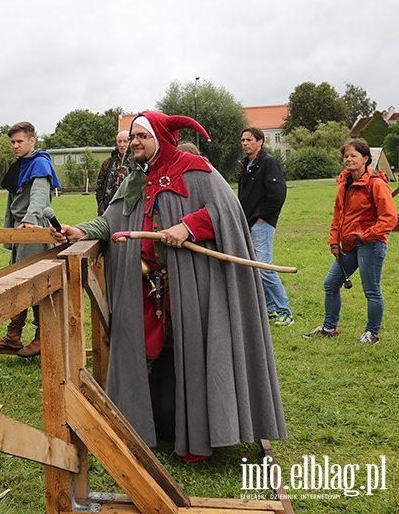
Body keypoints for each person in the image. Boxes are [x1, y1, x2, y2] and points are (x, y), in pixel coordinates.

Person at [52, 111, 286, 461]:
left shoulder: (195, 169)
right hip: (148, 288)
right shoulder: (136, 179)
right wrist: (82, 231)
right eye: (132, 138)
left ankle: (199, 439)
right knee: (151, 354)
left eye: (141, 137)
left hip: (193, 286)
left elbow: (227, 210)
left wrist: (188, 226)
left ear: (160, 138)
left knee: (193, 353)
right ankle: (156, 427)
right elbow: (112, 219)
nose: (134, 144)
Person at [304, 139, 397, 344]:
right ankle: (329, 327)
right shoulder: (344, 182)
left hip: (371, 243)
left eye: (353, 155)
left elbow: (389, 218)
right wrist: (334, 242)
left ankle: (372, 333)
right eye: (346, 156)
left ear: (365, 159)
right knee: (330, 284)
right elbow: (339, 215)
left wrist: (366, 235)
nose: (348, 159)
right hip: (348, 244)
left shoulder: (376, 183)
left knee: (371, 289)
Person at [0, 121, 61, 357]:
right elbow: (12, 203)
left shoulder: (39, 164)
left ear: (32, 141)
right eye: (13, 142)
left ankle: (41, 337)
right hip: (21, 230)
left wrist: (30, 221)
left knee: (34, 283)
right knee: (17, 280)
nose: (15, 146)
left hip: (33, 230)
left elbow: (39, 197)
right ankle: (14, 335)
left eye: (19, 142)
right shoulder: (19, 165)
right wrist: (11, 232)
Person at [238, 127, 293, 327]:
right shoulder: (246, 165)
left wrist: (264, 218)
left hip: (262, 224)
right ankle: (269, 308)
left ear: (260, 141)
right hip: (248, 222)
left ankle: (284, 311)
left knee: (264, 267)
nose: (245, 143)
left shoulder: (268, 163)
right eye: (243, 140)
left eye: (249, 140)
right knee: (254, 266)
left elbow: (278, 194)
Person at [95, 130, 132, 215]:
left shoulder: (136, 163)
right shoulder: (108, 163)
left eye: (125, 141)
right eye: (119, 141)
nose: (122, 145)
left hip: (128, 209)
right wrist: (101, 204)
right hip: (108, 209)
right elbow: (100, 186)